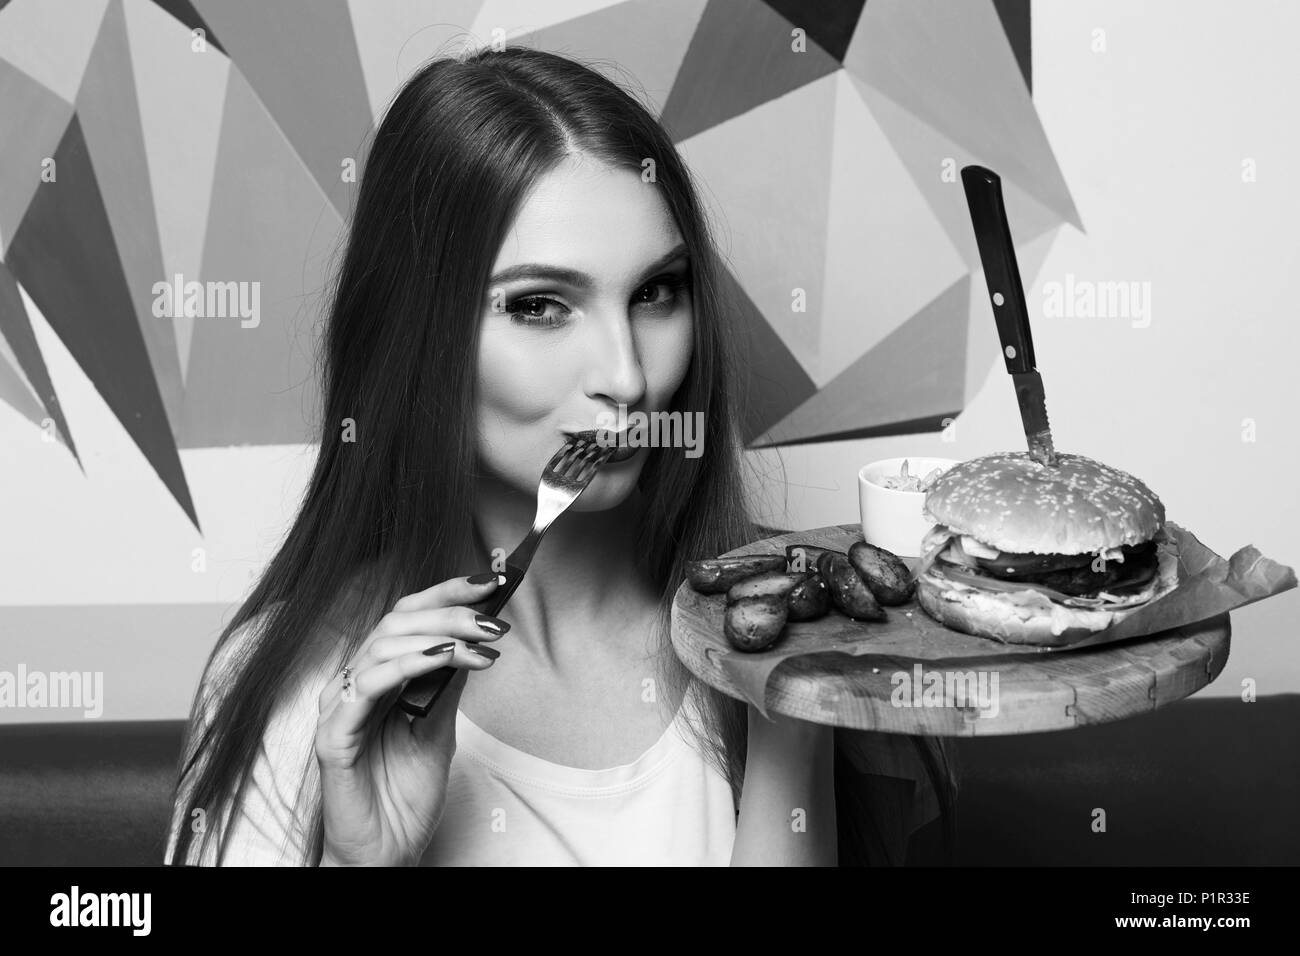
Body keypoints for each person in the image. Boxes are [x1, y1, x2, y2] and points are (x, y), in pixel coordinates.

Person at [164, 44, 955, 867]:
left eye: (655, 293)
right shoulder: (297, 689)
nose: (626, 376)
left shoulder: (797, 641)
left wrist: (789, 717)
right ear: (417, 334)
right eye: (541, 305)